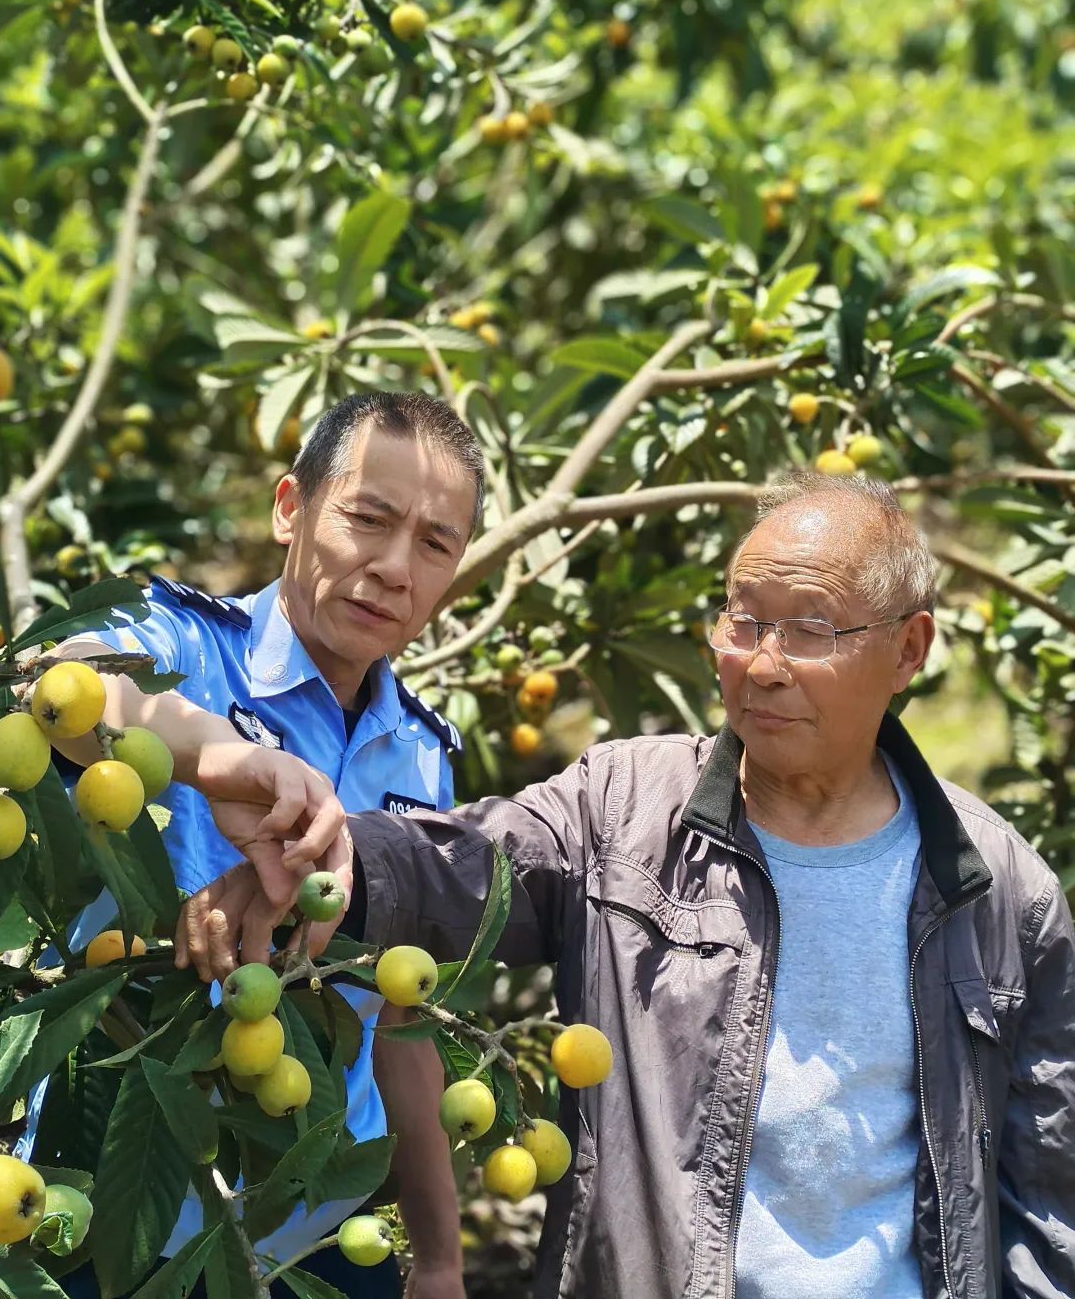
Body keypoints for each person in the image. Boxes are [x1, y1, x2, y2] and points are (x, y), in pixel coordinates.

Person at [181, 472, 1075, 1299]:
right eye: (743, 620)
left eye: (810, 629)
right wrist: (333, 866)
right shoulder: (625, 805)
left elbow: (1048, 1206)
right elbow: (467, 863)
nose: (763, 663)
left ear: (909, 649)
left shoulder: (1001, 893)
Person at [33, 391, 483, 1299]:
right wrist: (220, 760)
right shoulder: (188, 643)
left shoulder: (424, 753)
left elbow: (403, 1019)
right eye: (368, 519)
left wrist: (438, 1256)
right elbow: (57, 683)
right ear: (291, 508)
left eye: (435, 544)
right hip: (105, 1214)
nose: (395, 568)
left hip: (311, 1231)